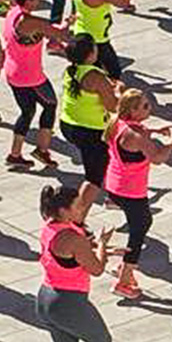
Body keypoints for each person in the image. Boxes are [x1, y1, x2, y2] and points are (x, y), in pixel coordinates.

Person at [35, 184, 121, 342]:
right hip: (68, 301)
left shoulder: (50, 227)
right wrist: (103, 244)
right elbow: (96, 268)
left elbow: (72, 256)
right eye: (78, 204)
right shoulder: (73, 238)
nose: (82, 207)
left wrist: (97, 249)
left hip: (46, 297)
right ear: (64, 210)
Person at [105, 89, 172, 298]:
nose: (150, 107)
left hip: (115, 184)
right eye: (145, 106)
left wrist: (154, 131)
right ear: (132, 110)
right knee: (140, 228)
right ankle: (124, 277)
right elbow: (156, 157)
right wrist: (171, 147)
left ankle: (124, 270)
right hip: (131, 190)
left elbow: (136, 133)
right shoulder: (137, 137)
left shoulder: (117, 122)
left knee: (139, 224)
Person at [4, 0, 71, 169]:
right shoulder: (30, 22)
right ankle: (42, 149)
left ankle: (14, 154)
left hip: (12, 72)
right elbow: (60, 33)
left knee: (27, 112)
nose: (39, 1)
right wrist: (69, 23)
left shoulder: (12, 14)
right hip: (30, 76)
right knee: (50, 104)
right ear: (28, 1)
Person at [59, 36, 120, 220]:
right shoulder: (96, 77)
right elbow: (112, 106)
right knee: (93, 179)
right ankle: (77, 220)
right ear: (90, 54)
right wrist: (120, 93)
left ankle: (114, 195)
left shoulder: (70, 70)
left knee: (108, 159)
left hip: (69, 124)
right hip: (90, 131)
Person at [71, 0, 135, 80]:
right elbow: (124, 2)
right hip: (97, 39)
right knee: (114, 72)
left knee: (91, 70)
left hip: (82, 31)